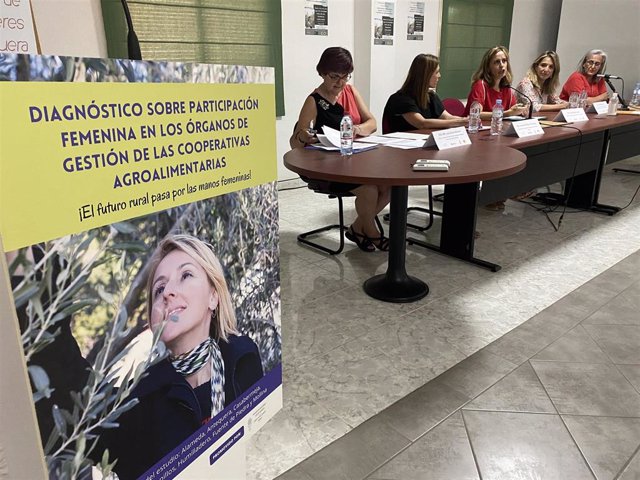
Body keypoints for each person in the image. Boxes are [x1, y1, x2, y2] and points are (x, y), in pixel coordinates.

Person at [96, 234, 264, 479]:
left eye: (185, 275)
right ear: (153, 323)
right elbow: (78, 400)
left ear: (213, 296)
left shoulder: (243, 360)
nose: (168, 293)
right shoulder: (140, 400)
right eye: (159, 289)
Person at [290, 46, 391, 252]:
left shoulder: (350, 91)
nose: (340, 82)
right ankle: (372, 232)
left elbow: (372, 122)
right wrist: (303, 135)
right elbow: (295, 143)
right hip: (327, 168)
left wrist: (357, 129)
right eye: (335, 76)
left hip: (353, 162)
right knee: (369, 190)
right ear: (322, 73)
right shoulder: (314, 101)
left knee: (389, 187)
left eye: (345, 76)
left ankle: (356, 228)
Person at [383, 53, 468, 132]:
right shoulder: (401, 99)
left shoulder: (431, 96)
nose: (439, 76)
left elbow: (447, 117)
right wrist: (459, 122)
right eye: (437, 72)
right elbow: (421, 123)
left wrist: (466, 120)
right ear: (425, 75)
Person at [464, 45, 528, 118]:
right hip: (473, 128)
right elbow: (475, 114)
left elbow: (512, 111)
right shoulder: (480, 85)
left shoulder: (506, 88)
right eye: (497, 62)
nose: (502, 65)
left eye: (504, 61)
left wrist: (521, 111)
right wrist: (506, 114)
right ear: (488, 67)